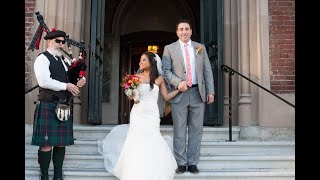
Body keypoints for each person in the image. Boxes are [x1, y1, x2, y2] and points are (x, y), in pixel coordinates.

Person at [98, 51, 180, 180]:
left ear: (151, 63)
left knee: (152, 138)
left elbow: (166, 96)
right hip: (138, 112)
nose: (140, 62)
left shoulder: (159, 79)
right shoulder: (135, 77)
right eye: (140, 60)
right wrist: (132, 94)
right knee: (136, 139)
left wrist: (179, 90)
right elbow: (131, 95)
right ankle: (134, 170)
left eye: (143, 60)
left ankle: (152, 169)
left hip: (152, 114)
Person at [31, 29, 86, 180]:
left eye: (63, 42)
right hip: (48, 103)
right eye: (58, 41)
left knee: (61, 143)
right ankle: (44, 176)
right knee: (47, 143)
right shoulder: (42, 59)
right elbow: (44, 81)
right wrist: (66, 86)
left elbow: (73, 77)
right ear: (49, 41)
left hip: (64, 105)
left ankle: (57, 176)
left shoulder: (64, 61)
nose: (61, 44)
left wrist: (80, 81)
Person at [162, 18, 215, 174]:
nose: (184, 31)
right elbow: (166, 71)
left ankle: (193, 163)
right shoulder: (169, 48)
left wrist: (210, 91)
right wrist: (178, 83)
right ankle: (181, 163)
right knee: (179, 130)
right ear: (177, 32)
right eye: (181, 29)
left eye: (187, 29)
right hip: (180, 94)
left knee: (196, 130)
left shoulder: (200, 48)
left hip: (199, 93)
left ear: (191, 31)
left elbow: (207, 71)